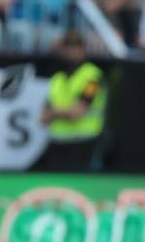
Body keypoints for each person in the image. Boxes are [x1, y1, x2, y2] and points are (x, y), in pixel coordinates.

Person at [38, 30, 106, 171]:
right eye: (68, 47)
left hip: (83, 143)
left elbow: (78, 112)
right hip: (58, 143)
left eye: (76, 47)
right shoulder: (57, 79)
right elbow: (43, 117)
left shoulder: (92, 76)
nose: (72, 51)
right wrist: (64, 112)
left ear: (83, 49)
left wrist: (55, 112)